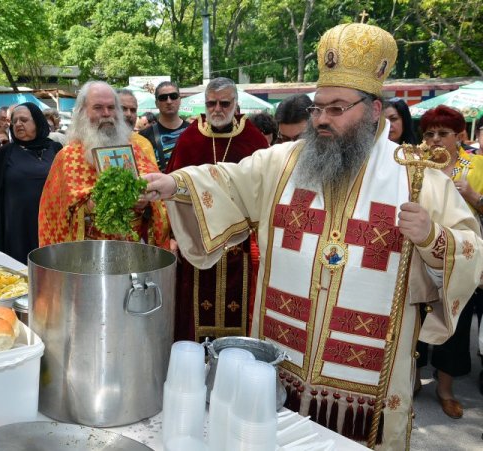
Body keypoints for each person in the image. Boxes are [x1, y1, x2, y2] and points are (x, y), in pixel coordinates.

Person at [143, 23, 483, 450]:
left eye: (337, 108)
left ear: (374, 109)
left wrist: (433, 238)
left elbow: (470, 248)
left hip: (367, 383)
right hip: (283, 359)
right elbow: (228, 181)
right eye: (318, 108)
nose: (321, 119)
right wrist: (175, 185)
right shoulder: (284, 162)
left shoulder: (417, 178)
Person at [165, 77, 268, 343]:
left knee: (240, 307)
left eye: (224, 103)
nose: (217, 109)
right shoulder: (190, 139)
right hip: (198, 243)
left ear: (236, 103)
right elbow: (172, 189)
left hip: (242, 244)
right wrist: (173, 235)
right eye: (212, 103)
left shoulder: (253, 138)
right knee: (194, 310)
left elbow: (265, 190)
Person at [38, 81, 169, 248]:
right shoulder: (68, 157)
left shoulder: (136, 150)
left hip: (134, 250)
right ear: (82, 112)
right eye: (98, 107)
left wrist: (146, 201)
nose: (106, 113)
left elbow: (160, 201)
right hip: (87, 255)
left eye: (111, 107)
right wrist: (90, 206)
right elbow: (55, 215)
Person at [414, 105, 483, 419]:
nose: (435, 139)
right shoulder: (414, 165)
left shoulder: (477, 166)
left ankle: (445, 389)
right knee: (414, 317)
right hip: (418, 256)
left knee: (456, 320)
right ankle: (411, 380)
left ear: (460, 135)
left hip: (462, 258)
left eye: (443, 133)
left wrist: (473, 195)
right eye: (429, 133)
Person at [0, 102, 62, 264]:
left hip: (51, 223)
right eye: (14, 121)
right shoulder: (4, 153)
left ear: (37, 122)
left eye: (24, 120)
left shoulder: (55, 149)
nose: (18, 124)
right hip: (18, 226)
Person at [140, 82, 189, 171]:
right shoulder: (144, 137)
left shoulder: (194, 131)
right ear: (156, 103)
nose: (169, 101)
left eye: (173, 96)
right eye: (163, 98)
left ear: (180, 100)